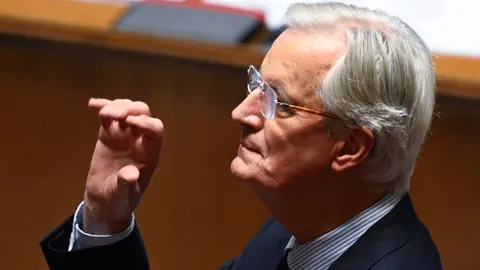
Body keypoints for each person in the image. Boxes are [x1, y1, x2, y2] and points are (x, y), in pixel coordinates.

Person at [40, 2, 443, 270]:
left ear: (351, 147)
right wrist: (104, 219)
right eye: (257, 86)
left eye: (278, 102)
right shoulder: (295, 230)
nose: (241, 113)